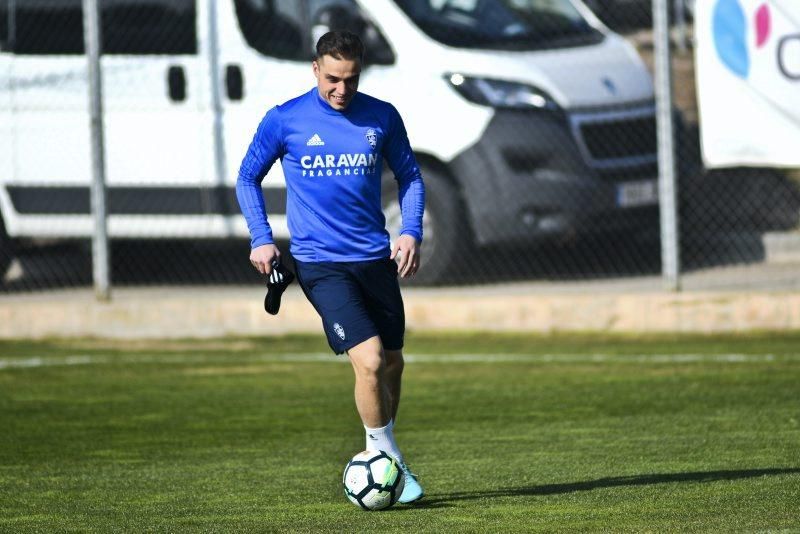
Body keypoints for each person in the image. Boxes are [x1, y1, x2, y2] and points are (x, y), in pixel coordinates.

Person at [236, 30, 426, 504]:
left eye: (352, 80)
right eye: (333, 79)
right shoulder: (285, 120)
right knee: (371, 360)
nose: (342, 90)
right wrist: (262, 239)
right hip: (320, 263)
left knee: (394, 364)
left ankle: (384, 455)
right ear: (315, 69)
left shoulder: (381, 116)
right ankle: (389, 462)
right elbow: (247, 178)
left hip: (374, 258)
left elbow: (410, 176)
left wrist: (411, 231)